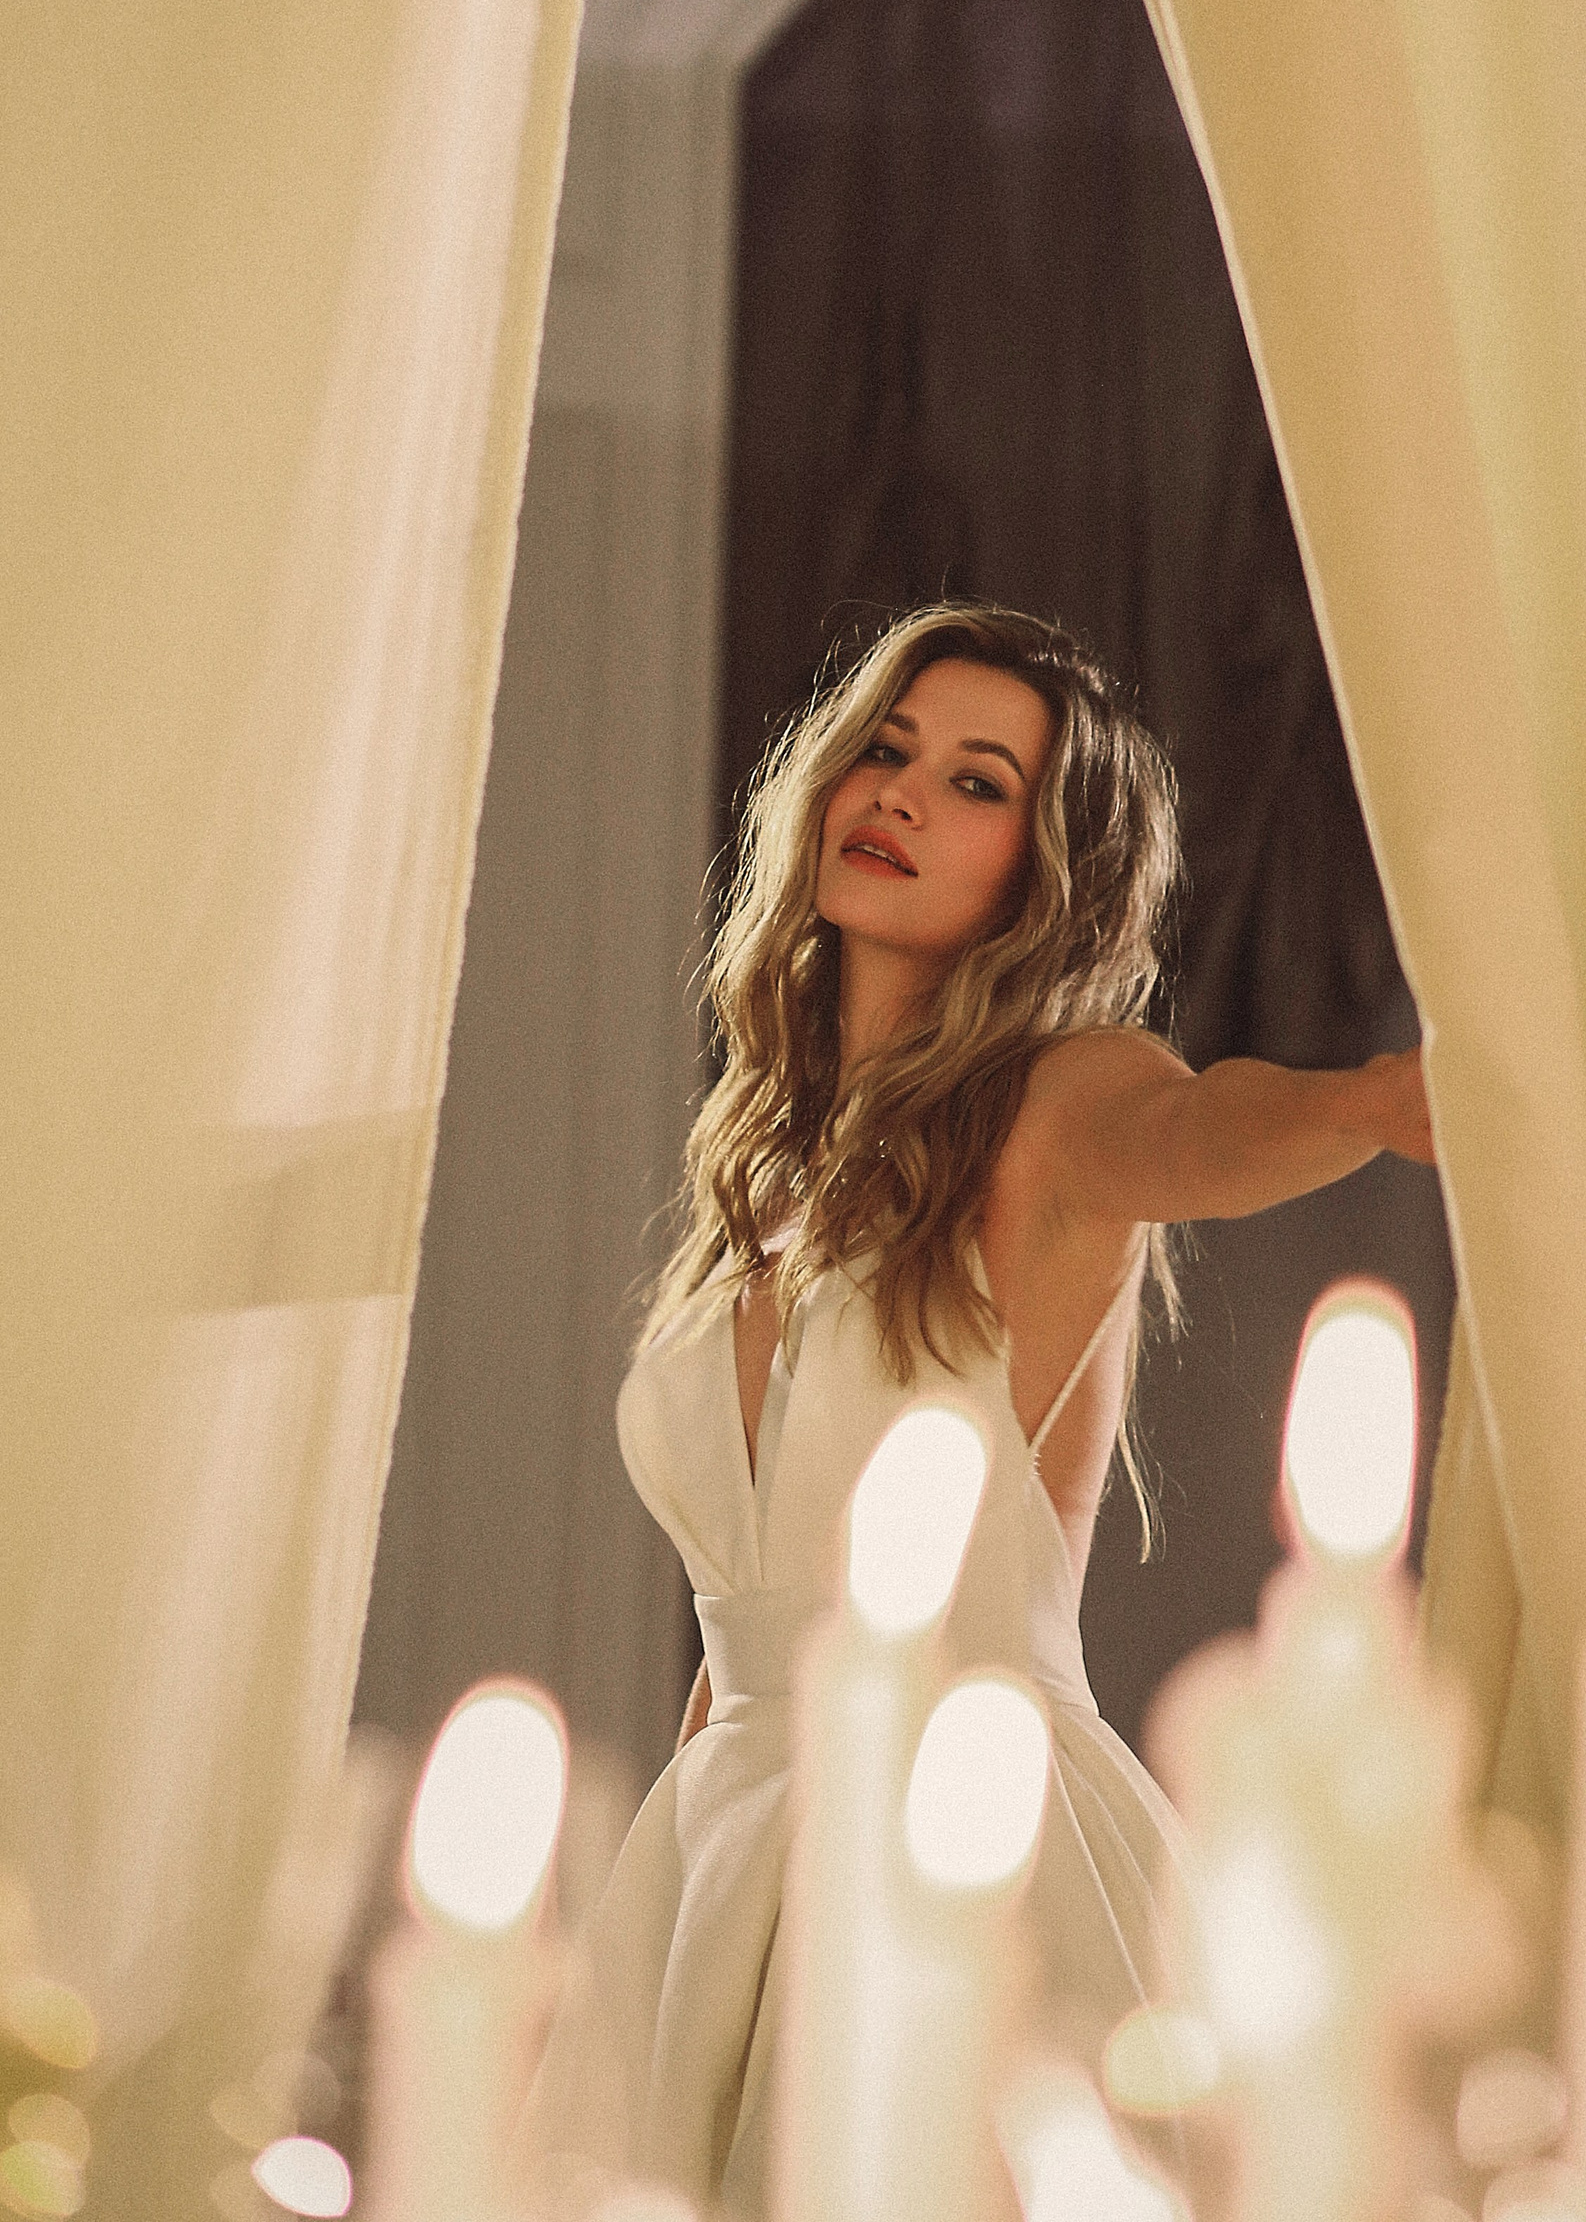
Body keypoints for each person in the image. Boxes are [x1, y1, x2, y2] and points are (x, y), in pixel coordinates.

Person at [521, 603, 1434, 2217]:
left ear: (1047, 872)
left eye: (975, 781)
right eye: (884, 749)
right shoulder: (763, 1165)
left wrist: (1379, 1103)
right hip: (718, 1850)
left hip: (964, 1835)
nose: (900, 792)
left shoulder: (1057, 1106)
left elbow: (1211, 1130)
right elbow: (747, 1625)